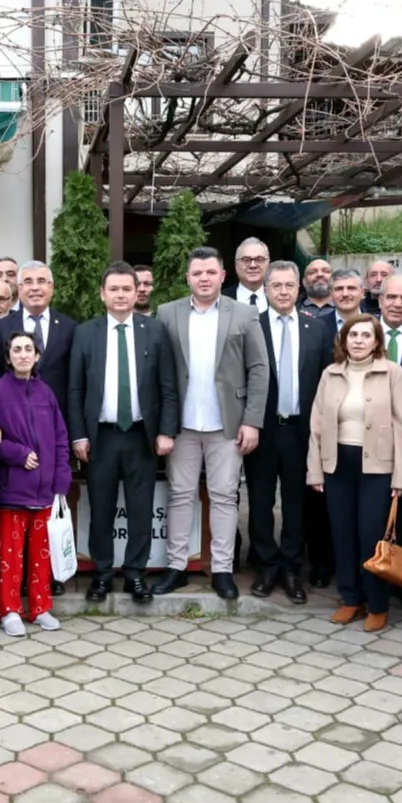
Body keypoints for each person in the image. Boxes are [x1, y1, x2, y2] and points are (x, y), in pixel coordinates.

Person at [155, 246, 270, 598]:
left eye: (210, 272)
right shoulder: (167, 313)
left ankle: (222, 569)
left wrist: (252, 421)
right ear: (187, 278)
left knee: (224, 496)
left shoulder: (245, 314)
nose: (203, 278)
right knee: (179, 495)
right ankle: (176, 566)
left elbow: (259, 368)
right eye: (197, 273)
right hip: (182, 425)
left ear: (222, 276)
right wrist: (163, 425)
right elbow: (158, 371)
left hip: (228, 425)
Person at [68, 262, 178, 605]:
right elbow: (75, 389)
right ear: (102, 294)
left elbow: (168, 387)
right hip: (100, 437)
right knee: (100, 509)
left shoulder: (155, 331)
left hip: (141, 437)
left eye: (127, 289)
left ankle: (135, 575)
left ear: (137, 292)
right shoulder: (85, 333)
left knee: (140, 509)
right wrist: (78, 435)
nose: (120, 295)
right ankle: (101, 575)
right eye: (113, 289)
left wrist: (166, 431)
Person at [307, 314, 402, 632]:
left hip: (377, 467)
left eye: (366, 335)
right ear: (344, 340)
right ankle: (351, 599)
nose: (358, 341)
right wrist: (315, 471)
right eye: (353, 335)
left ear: (377, 341)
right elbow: (316, 425)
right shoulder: (331, 374)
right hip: (338, 464)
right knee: (342, 534)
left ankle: (377, 604)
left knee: (371, 536)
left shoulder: (393, 373)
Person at [247, 261, 332, 603]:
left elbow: (327, 382)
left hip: (302, 430)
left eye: (289, 285)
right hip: (263, 429)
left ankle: (292, 567)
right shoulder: (251, 326)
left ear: (299, 289)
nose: (283, 292)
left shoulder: (318, 329)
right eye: (276, 285)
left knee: (297, 503)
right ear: (265, 290)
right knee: (260, 501)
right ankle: (266, 565)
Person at [0, 332, 71, 635]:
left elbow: (60, 438)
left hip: (45, 491)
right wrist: (17, 454)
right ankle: (9, 610)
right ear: (8, 357)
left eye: (28, 349)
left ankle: (40, 607)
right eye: (16, 350)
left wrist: (61, 479)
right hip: (13, 490)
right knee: (11, 555)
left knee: (41, 554)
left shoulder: (45, 393)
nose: (23, 355)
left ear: (37, 356)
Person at [0, 261, 78, 419]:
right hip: (13, 419)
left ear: (51, 287)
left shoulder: (70, 328)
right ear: (19, 289)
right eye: (28, 282)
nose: (35, 288)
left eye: (41, 281)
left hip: (57, 419)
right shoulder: (1, 328)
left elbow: (75, 383)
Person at [222, 237, 269, 314]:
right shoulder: (221, 299)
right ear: (236, 265)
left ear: (268, 264)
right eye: (246, 260)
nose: (253, 265)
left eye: (259, 260)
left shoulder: (279, 297)